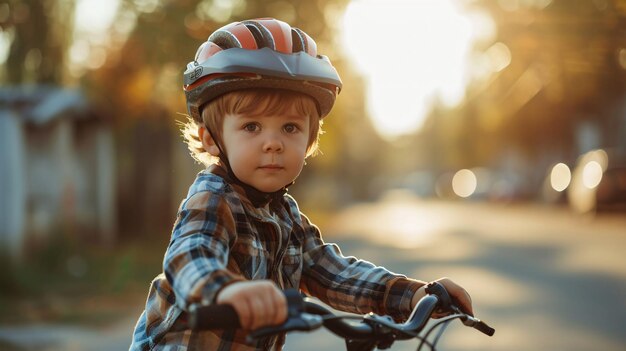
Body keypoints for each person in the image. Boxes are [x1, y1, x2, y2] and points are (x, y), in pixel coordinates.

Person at [130, 18, 473, 351]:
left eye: (290, 128)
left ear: (310, 139)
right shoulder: (212, 198)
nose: (273, 143)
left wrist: (413, 294)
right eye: (251, 126)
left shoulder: (285, 214)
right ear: (211, 139)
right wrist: (225, 291)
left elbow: (331, 271)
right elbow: (190, 254)